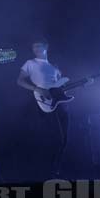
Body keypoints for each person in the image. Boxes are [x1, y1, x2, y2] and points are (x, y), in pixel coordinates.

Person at [16, 38, 92, 178]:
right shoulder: (30, 63)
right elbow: (20, 81)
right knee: (55, 138)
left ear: (47, 46)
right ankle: (45, 172)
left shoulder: (55, 67)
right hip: (44, 102)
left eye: (39, 46)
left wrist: (82, 84)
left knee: (65, 140)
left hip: (61, 104)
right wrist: (38, 89)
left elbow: (61, 89)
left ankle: (55, 170)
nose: (36, 49)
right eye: (34, 47)